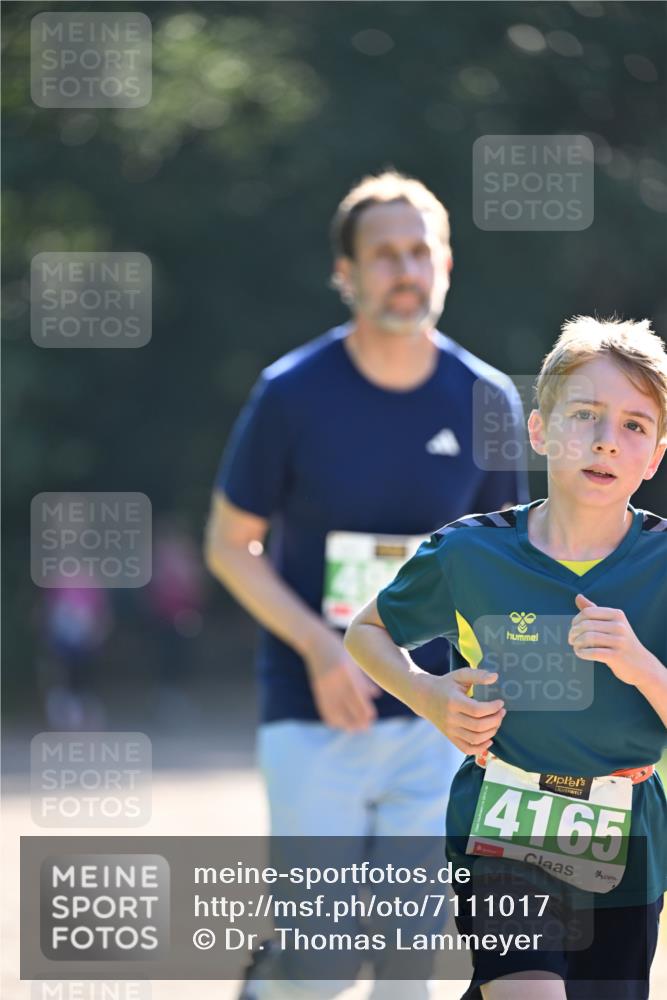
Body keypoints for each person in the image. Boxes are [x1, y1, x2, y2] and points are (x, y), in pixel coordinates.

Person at [204, 170, 529, 999]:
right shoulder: (291, 393)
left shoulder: (486, 399)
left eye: (420, 251)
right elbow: (228, 545)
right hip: (314, 709)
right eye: (383, 254)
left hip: (430, 718)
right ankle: (268, 981)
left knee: (406, 966)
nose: (405, 269)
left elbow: (502, 570)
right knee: (320, 965)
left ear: (446, 265)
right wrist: (321, 648)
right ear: (345, 275)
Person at [345, 316, 667, 999]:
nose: (607, 439)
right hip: (501, 823)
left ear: (655, 455)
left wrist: (640, 665)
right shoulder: (469, 552)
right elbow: (366, 632)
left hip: (627, 836)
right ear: (540, 431)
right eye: (584, 416)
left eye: (634, 425)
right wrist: (429, 695)